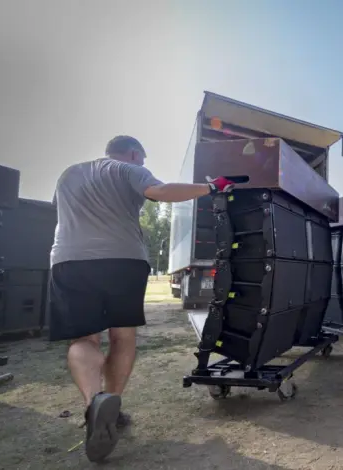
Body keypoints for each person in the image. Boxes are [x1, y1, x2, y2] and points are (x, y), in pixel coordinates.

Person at [48, 135, 233, 462]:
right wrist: (211, 187)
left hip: (69, 260)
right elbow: (159, 192)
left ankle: (93, 403)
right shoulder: (127, 170)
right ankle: (112, 405)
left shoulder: (68, 174)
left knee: (84, 340)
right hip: (122, 260)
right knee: (122, 336)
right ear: (134, 154)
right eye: (143, 160)